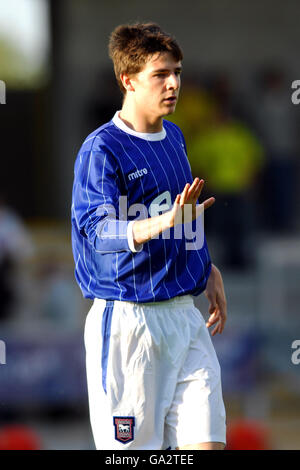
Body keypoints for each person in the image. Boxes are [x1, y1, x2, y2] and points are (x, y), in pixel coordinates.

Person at [71, 22, 227, 451]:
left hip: (184, 316)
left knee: (207, 445)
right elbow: (100, 232)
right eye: (160, 74)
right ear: (128, 80)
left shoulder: (174, 137)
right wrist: (164, 222)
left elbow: (185, 216)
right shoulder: (101, 149)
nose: (174, 83)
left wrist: (205, 267)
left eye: (177, 72)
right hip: (129, 323)